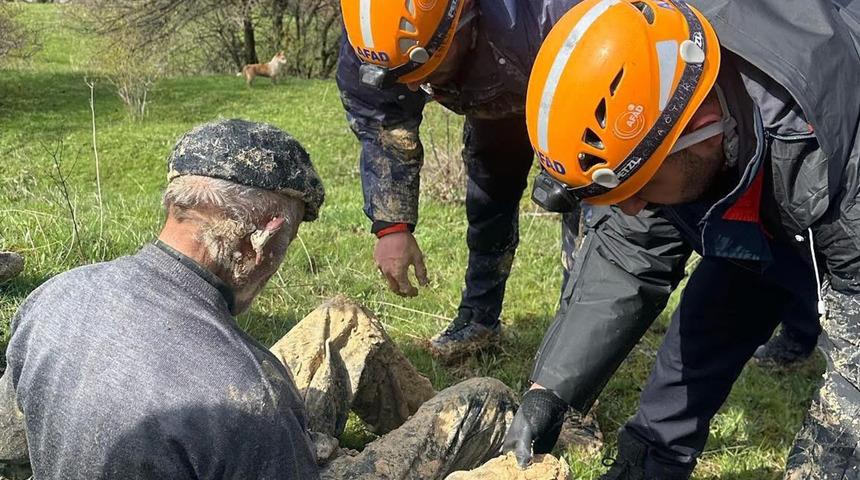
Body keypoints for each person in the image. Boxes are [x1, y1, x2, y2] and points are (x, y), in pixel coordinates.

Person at [0, 119, 517, 480]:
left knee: (340, 319)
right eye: (289, 240)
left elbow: (13, 441)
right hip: (258, 446)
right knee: (486, 399)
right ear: (263, 239)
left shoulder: (55, 296)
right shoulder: (248, 390)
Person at [500, 0, 860, 478]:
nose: (628, 206)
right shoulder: (668, 93)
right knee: (722, 297)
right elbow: (630, 251)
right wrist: (551, 389)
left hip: (838, 195)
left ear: (704, 133)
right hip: (769, 191)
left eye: (639, 186)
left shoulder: (836, 160)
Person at [336, 0, 582, 360]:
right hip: (491, 90)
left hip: (571, 81)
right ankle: (479, 320)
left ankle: (572, 345)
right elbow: (381, 117)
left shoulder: (554, 13)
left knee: (585, 213)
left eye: (426, 67)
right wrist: (392, 227)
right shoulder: (376, 25)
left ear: (460, 18)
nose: (417, 85)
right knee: (488, 197)